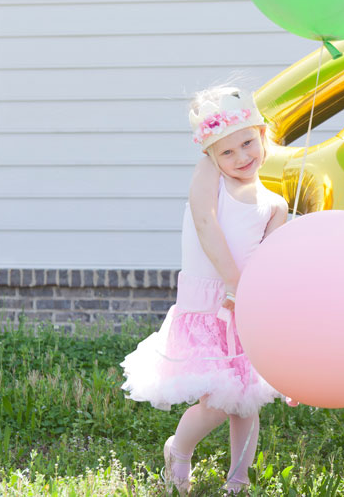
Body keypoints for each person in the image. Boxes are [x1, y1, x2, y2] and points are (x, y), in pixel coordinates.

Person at [120, 85, 290, 495]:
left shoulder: (275, 205)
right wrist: (234, 283)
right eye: (227, 152)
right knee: (217, 400)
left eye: (247, 144)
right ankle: (178, 450)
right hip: (208, 307)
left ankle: (239, 478)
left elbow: (272, 266)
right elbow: (205, 224)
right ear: (211, 155)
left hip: (246, 311)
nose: (241, 158)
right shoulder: (210, 175)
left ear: (262, 135)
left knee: (246, 398)